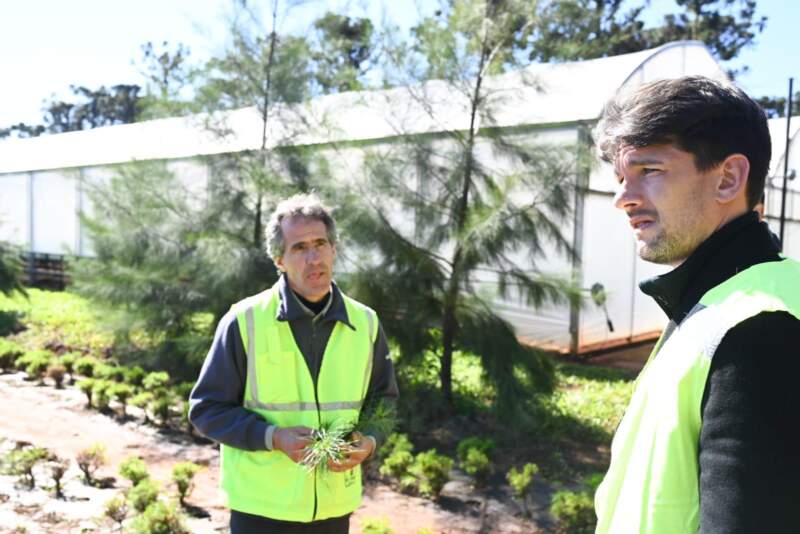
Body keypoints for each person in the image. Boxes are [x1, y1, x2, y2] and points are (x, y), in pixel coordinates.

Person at [592, 76, 800, 533]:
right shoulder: (718, 302)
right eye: (620, 177)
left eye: (649, 171)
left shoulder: (760, 329)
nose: (622, 198)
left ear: (728, 178)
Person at [189, 193, 398, 534]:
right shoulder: (244, 320)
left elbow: (384, 400)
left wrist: (370, 439)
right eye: (299, 248)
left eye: (321, 244)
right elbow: (207, 408)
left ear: (334, 249)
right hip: (262, 508)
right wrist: (273, 436)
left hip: (334, 507)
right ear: (279, 259)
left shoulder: (367, 323)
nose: (314, 258)